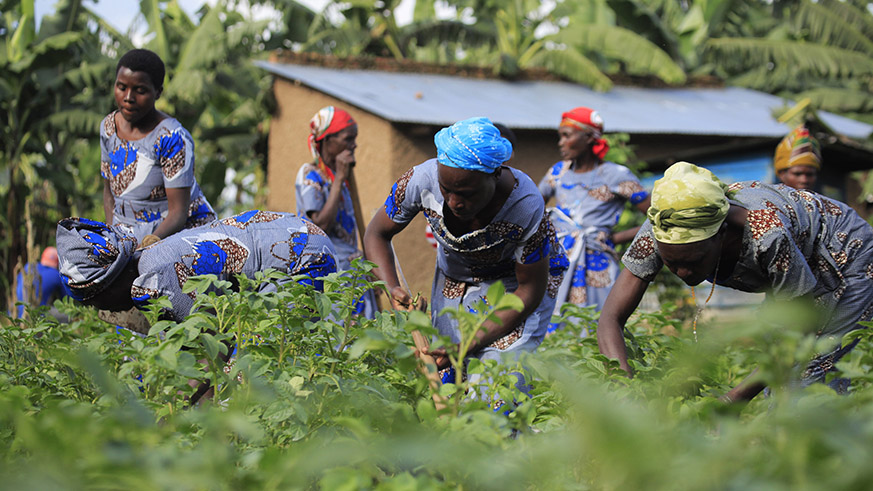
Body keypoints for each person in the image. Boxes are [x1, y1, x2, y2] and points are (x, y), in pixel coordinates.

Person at [597, 162, 873, 401]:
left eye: (694, 261)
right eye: (672, 263)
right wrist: (625, 389)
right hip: (796, 260)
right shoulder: (662, 225)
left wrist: (733, 400)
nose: (682, 274)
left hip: (845, 256)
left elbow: (798, 329)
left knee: (812, 373)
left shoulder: (766, 235)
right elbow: (611, 317)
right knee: (779, 386)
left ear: (722, 235)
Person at [364, 117, 568, 382]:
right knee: (448, 376)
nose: (454, 203)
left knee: (495, 379)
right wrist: (391, 288)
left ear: (496, 174)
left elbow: (529, 289)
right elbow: (376, 234)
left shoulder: (525, 206)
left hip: (514, 287)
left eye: (468, 193)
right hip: (455, 280)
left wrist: (472, 341)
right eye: (446, 190)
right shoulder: (420, 180)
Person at [57, 210, 338, 323]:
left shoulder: (152, 281)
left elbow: (209, 349)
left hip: (302, 256)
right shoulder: (151, 256)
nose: (102, 310)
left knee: (265, 366)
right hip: (298, 236)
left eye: (97, 301)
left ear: (111, 281)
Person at [538, 107, 650, 323]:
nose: (560, 143)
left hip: (597, 263)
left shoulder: (615, 175)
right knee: (556, 324)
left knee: (600, 322)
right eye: (560, 136)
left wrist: (616, 238)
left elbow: (657, 216)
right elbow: (531, 208)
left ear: (589, 137)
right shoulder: (558, 172)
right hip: (561, 258)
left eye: (566, 136)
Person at [101, 48, 215, 248]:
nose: (128, 97)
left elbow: (178, 213)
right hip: (129, 236)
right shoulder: (109, 127)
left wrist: (147, 245)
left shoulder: (171, 138)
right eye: (121, 87)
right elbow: (108, 192)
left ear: (158, 92)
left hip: (178, 236)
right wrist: (113, 238)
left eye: (140, 90)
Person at [295, 106, 376, 317]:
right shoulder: (310, 176)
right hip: (328, 275)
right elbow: (319, 226)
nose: (354, 144)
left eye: (354, 139)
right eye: (348, 138)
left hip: (350, 273)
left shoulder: (338, 179)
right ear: (327, 140)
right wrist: (340, 178)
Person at [13, 246, 68, 318]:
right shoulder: (57, 275)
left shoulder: (28, 266)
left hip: (14, 313)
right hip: (34, 315)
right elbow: (66, 302)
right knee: (68, 316)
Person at [774, 125, 820, 191]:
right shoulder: (766, 199)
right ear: (782, 175)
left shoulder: (822, 201)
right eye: (797, 174)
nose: (804, 180)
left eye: (810, 174)